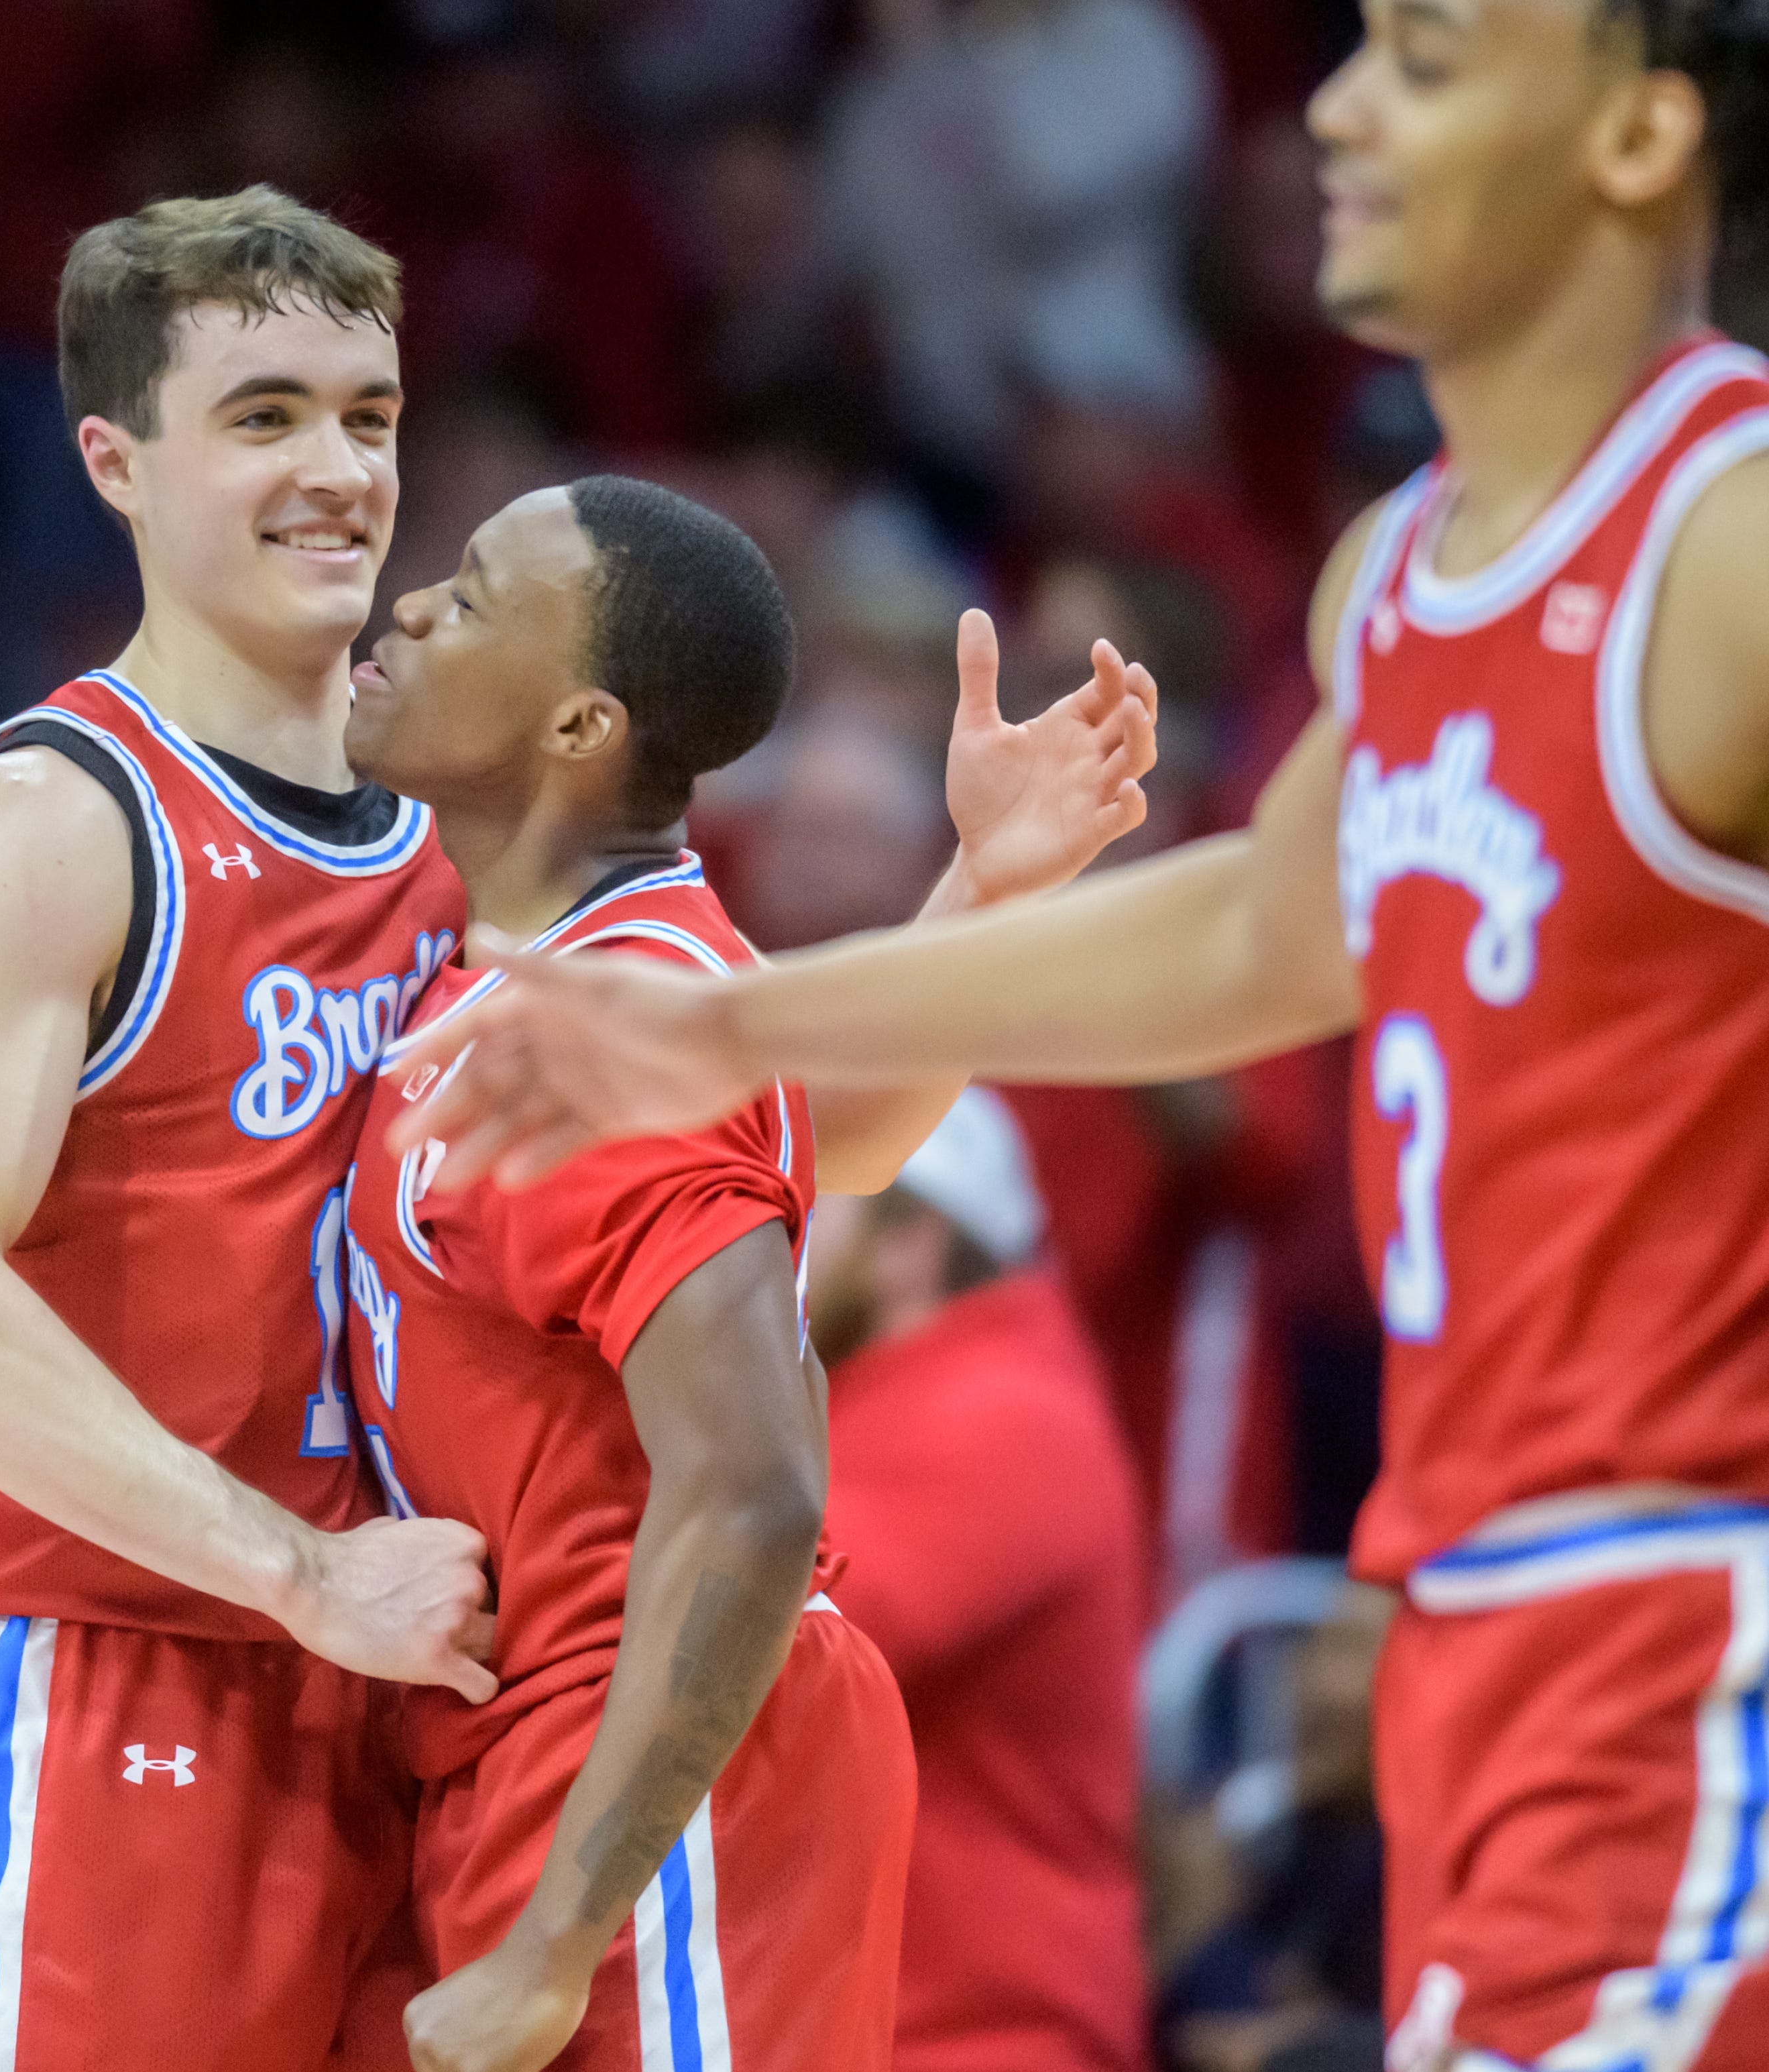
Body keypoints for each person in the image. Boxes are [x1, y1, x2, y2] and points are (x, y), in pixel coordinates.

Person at [389, 9, 1769, 2066]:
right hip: (1480, 1614)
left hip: (1693, 1602)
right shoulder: (1393, 581)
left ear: (1642, 132)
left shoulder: (1733, 542)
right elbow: (1254, 934)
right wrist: (733, 1025)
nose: (1336, 108)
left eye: (1432, 57)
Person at [336, 474, 1159, 2072]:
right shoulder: (607, 988)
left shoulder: (615, 1024)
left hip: (646, 1785)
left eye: (476, 596)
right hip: (556, 1753)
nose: (415, 606)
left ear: (580, 729)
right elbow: (826, 1134)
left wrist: (559, 1938)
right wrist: (978, 894)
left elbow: (760, 1498)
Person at [0, 188, 497, 2072]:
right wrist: (292, 1569)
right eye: (265, 415)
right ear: (114, 462)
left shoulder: (455, 833)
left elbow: (754, 1158)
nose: (339, 469)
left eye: (366, 416)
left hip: (392, 1703)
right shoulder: (53, 819)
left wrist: (983, 898)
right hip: (107, 1679)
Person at [809, 1089, 1151, 2072]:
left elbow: (747, 1642)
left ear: (907, 1239)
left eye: (798, 1201)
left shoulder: (998, 1409)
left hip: (976, 2039)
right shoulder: (935, 1394)